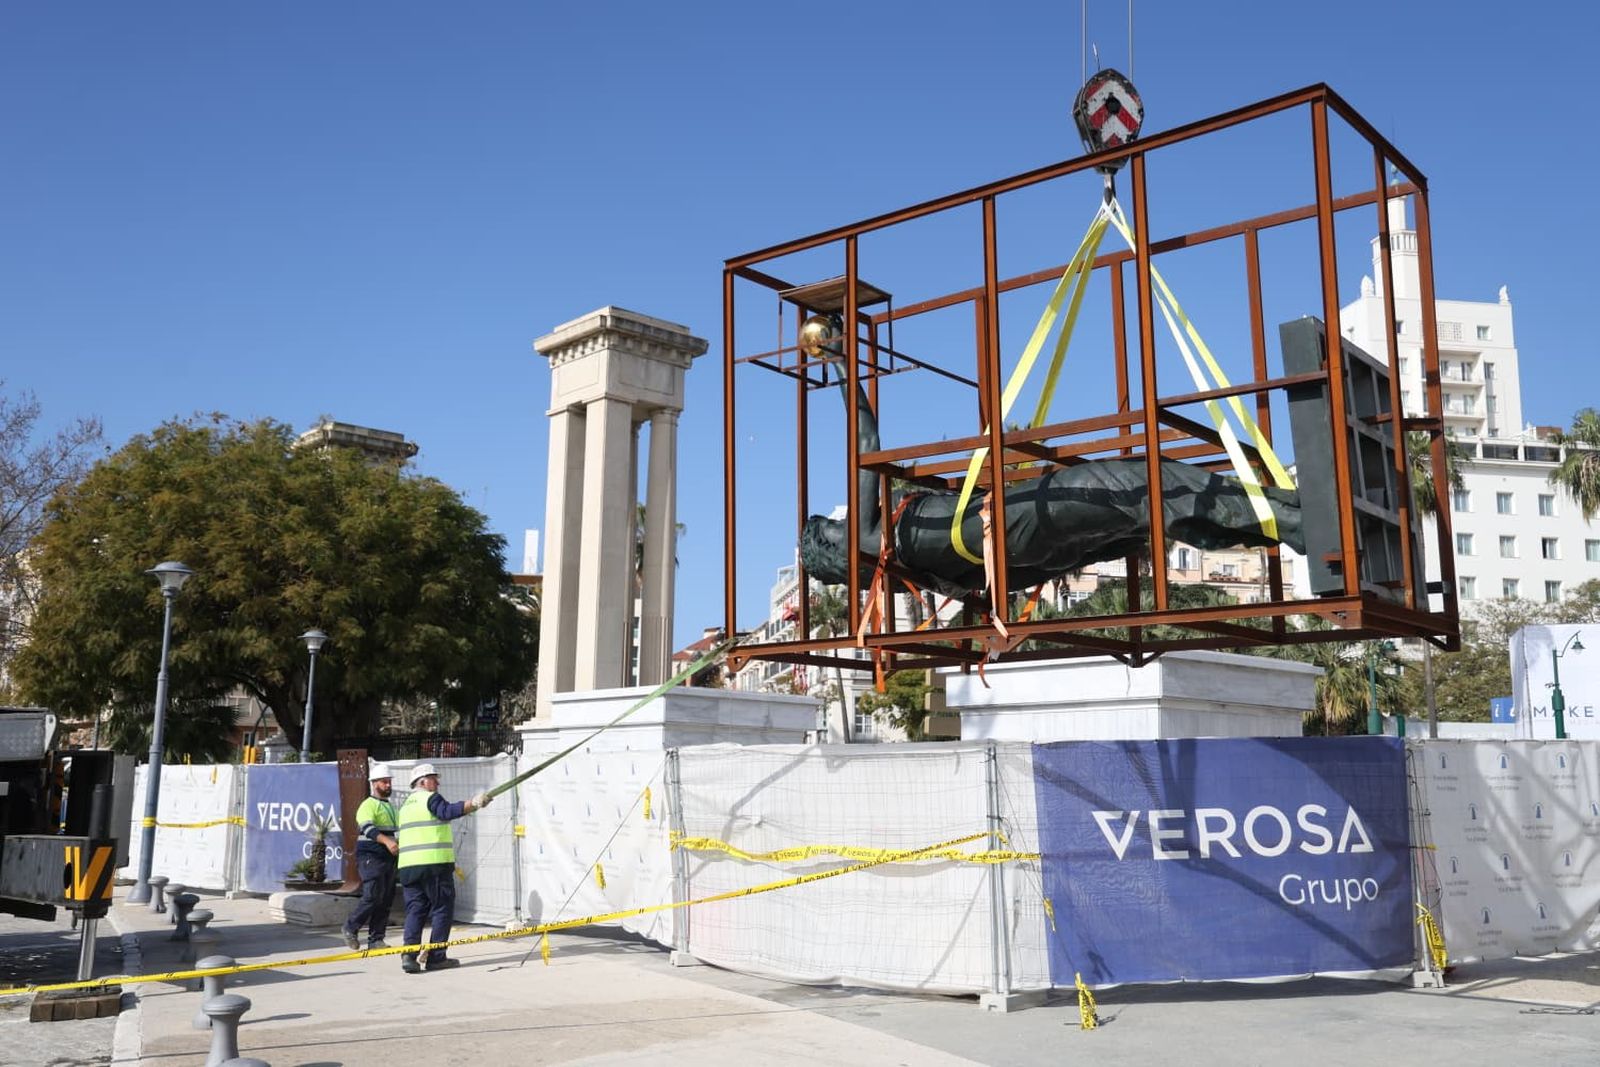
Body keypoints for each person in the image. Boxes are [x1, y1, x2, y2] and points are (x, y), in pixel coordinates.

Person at [396, 762, 491, 974]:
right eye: (434, 779)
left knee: (415, 911)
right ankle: (437, 957)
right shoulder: (431, 798)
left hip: (408, 867)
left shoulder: (405, 806)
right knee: (442, 909)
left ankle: (409, 956)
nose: (437, 783)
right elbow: (447, 811)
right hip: (433, 865)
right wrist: (473, 803)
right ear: (422, 782)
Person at [342, 762, 399, 951]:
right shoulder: (368, 805)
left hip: (388, 857)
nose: (388, 785)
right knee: (372, 895)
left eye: (389, 781)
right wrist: (388, 842)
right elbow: (368, 829)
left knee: (385, 898)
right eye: (384, 781)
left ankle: (376, 939)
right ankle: (350, 927)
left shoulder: (390, 807)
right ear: (374, 783)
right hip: (371, 855)